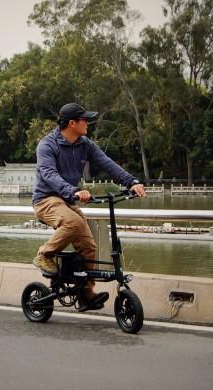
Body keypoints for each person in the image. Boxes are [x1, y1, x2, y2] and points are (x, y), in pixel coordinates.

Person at [32, 102, 146, 311]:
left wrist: (132, 181)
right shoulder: (47, 145)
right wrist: (73, 191)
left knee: (88, 246)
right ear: (72, 123)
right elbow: (48, 175)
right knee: (73, 222)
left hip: (66, 201)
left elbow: (107, 163)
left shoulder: (84, 143)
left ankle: (85, 294)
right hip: (46, 200)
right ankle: (44, 254)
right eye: (85, 120)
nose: (89, 124)